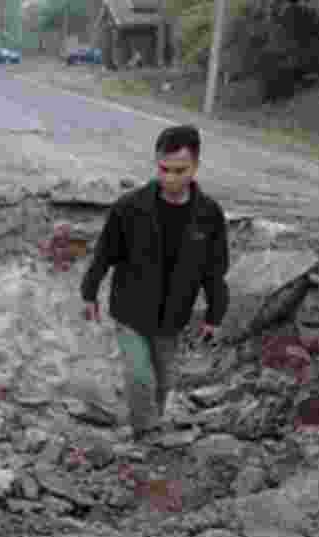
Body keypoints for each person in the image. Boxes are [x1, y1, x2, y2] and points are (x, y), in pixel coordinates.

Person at [80, 125, 231, 440]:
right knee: (139, 377)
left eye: (180, 170)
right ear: (156, 163)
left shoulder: (209, 215)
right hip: (130, 310)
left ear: (196, 166)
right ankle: (146, 433)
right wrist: (90, 292)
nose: (171, 178)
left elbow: (215, 271)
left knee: (164, 382)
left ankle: (151, 424)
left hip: (172, 317)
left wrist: (215, 315)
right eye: (164, 169)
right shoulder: (129, 208)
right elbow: (105, 254)